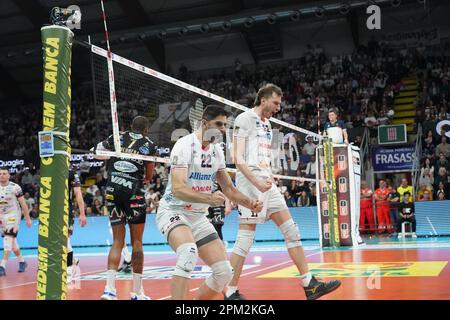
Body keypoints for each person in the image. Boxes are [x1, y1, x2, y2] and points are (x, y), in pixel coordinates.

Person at [227, 83, 341, 300]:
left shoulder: (268, 125)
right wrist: (256, 182)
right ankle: (230, 291)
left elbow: (262, 156)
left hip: (267, 183)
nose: (278, 107)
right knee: (245, 238)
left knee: (291, 230)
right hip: (250, 184)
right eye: (276, 103)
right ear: (263, 100)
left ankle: (309, 283)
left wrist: (269, 177)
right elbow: (237, 157)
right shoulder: (244, 119)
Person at [156, 105, 263, 300]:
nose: (223, 129)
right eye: (219, 124)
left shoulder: (216, 151)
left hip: (197, 216)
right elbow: (179, 188)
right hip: (173, 211)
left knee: (224, 272)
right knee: (188, 253)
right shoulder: (184, 145)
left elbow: (229, 189)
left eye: (225, 125)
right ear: (205, 123)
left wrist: (250, 203)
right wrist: (209, 199)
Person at [93, 116, 155, 300]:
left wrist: (110, 156)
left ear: (130, 126)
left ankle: (109, 290)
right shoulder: (149, 144)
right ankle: (137, 292)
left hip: (112, 191)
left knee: (117, 242)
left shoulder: (117, 137)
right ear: (146, 129)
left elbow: (96, 151)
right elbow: (149, 175)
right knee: (137, 242)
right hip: (133, 193)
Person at [0, 167, 32, 276]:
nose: (2, 175)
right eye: (0, 174)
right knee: (12, 241)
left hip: (14, 215)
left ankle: (2, 266)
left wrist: (27, 218)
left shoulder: (15, 187)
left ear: (9, 175)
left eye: (4, 173)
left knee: (8, 239)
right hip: (2, 217)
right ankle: (22, 261)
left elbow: (23, 204)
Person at [67, 169, 87, 285]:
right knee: (60, 243)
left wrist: (82, 213)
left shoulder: (71, 173)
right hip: (51, 212)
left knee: (65, 240)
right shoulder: (49, 171)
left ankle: (69, 274)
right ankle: (73, 260)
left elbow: (78, 193)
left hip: (66, 211)